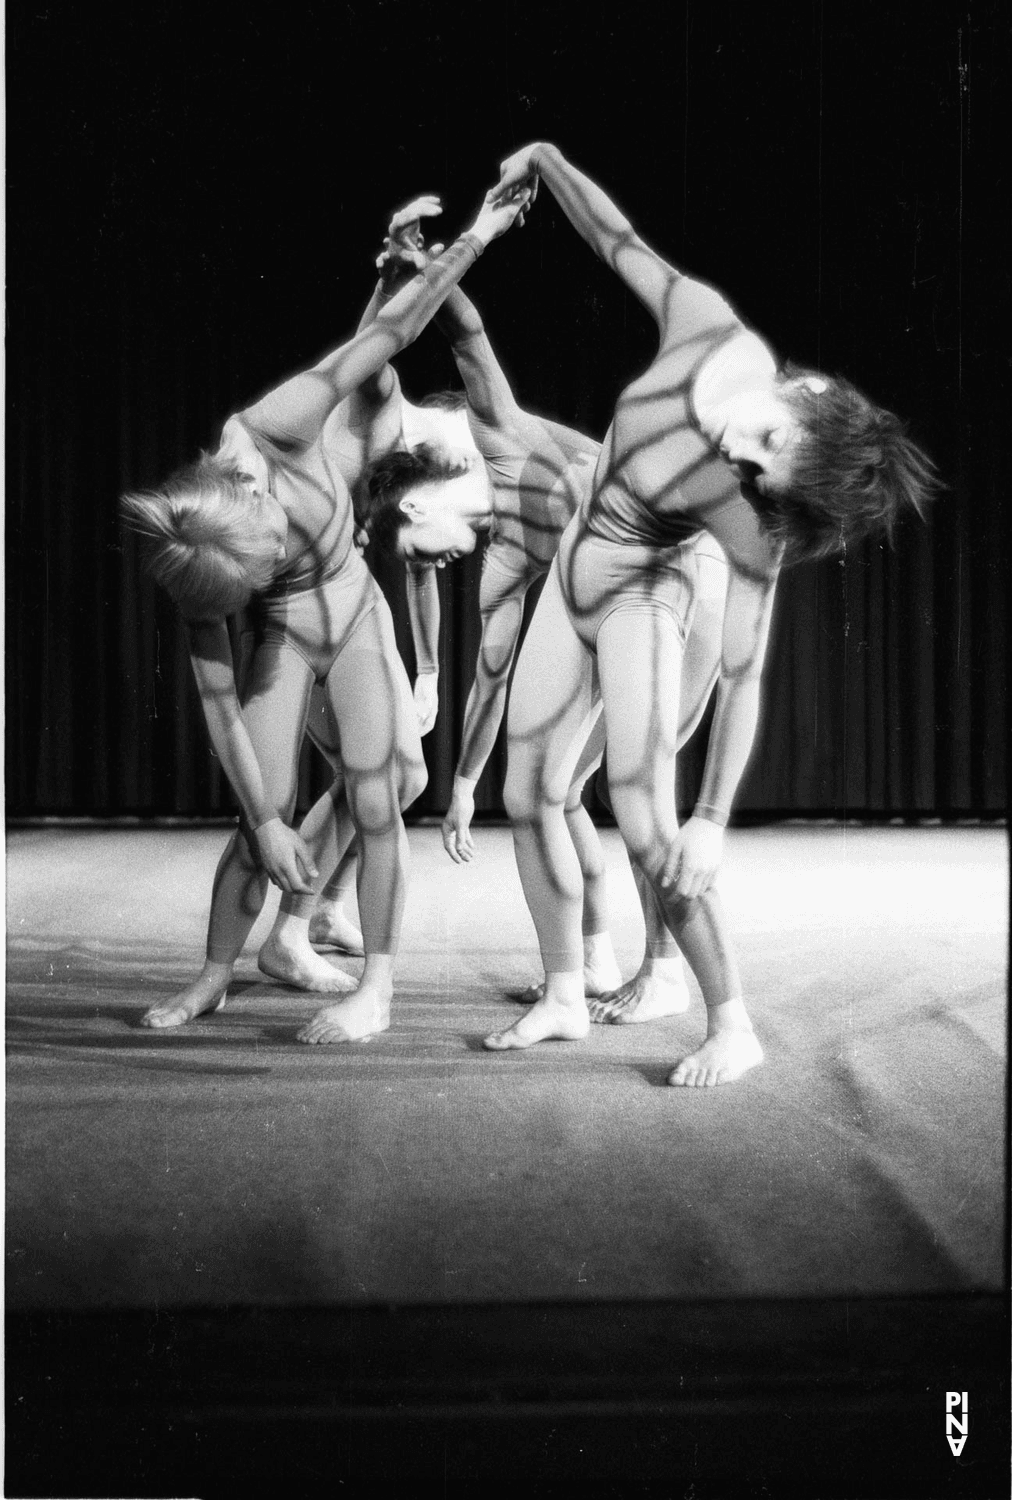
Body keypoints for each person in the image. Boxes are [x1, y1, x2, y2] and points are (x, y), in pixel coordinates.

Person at [474, 143, 937, 1084]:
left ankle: (733, 1024)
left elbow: (743, 672)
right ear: (803, 392)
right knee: (527, 793)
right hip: (573, 572)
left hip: (647, 594)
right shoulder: (707, 328)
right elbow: (615, 240)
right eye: (768, 441)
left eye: (763, 475)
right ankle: (566, 993)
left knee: (649, 820)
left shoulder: (750, 517)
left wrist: (715, 817)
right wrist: (547, 161)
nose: (744, 457)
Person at [120, 188, 528, 1044]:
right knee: (255, 812)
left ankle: (375, 987)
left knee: (382, 796)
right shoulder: (202, 569)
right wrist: (267, 821)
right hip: (288, 639)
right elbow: (219, 707)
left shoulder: (281, 424)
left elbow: (383, 341)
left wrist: (479, 234)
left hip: (352, 614)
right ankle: (214, 973)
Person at [360, 213, 731, 1014]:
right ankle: (595, 960)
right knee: (556, 790)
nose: (436, 571)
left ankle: (665, 972)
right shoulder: (502, 564)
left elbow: (466, 334)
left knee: (641, 791)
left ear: (416, 508)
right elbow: (491, 682)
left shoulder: (505, 435)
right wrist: (462, 784)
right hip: (616, 603)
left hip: (687, 578)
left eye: (422, 558)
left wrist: (423, 264)